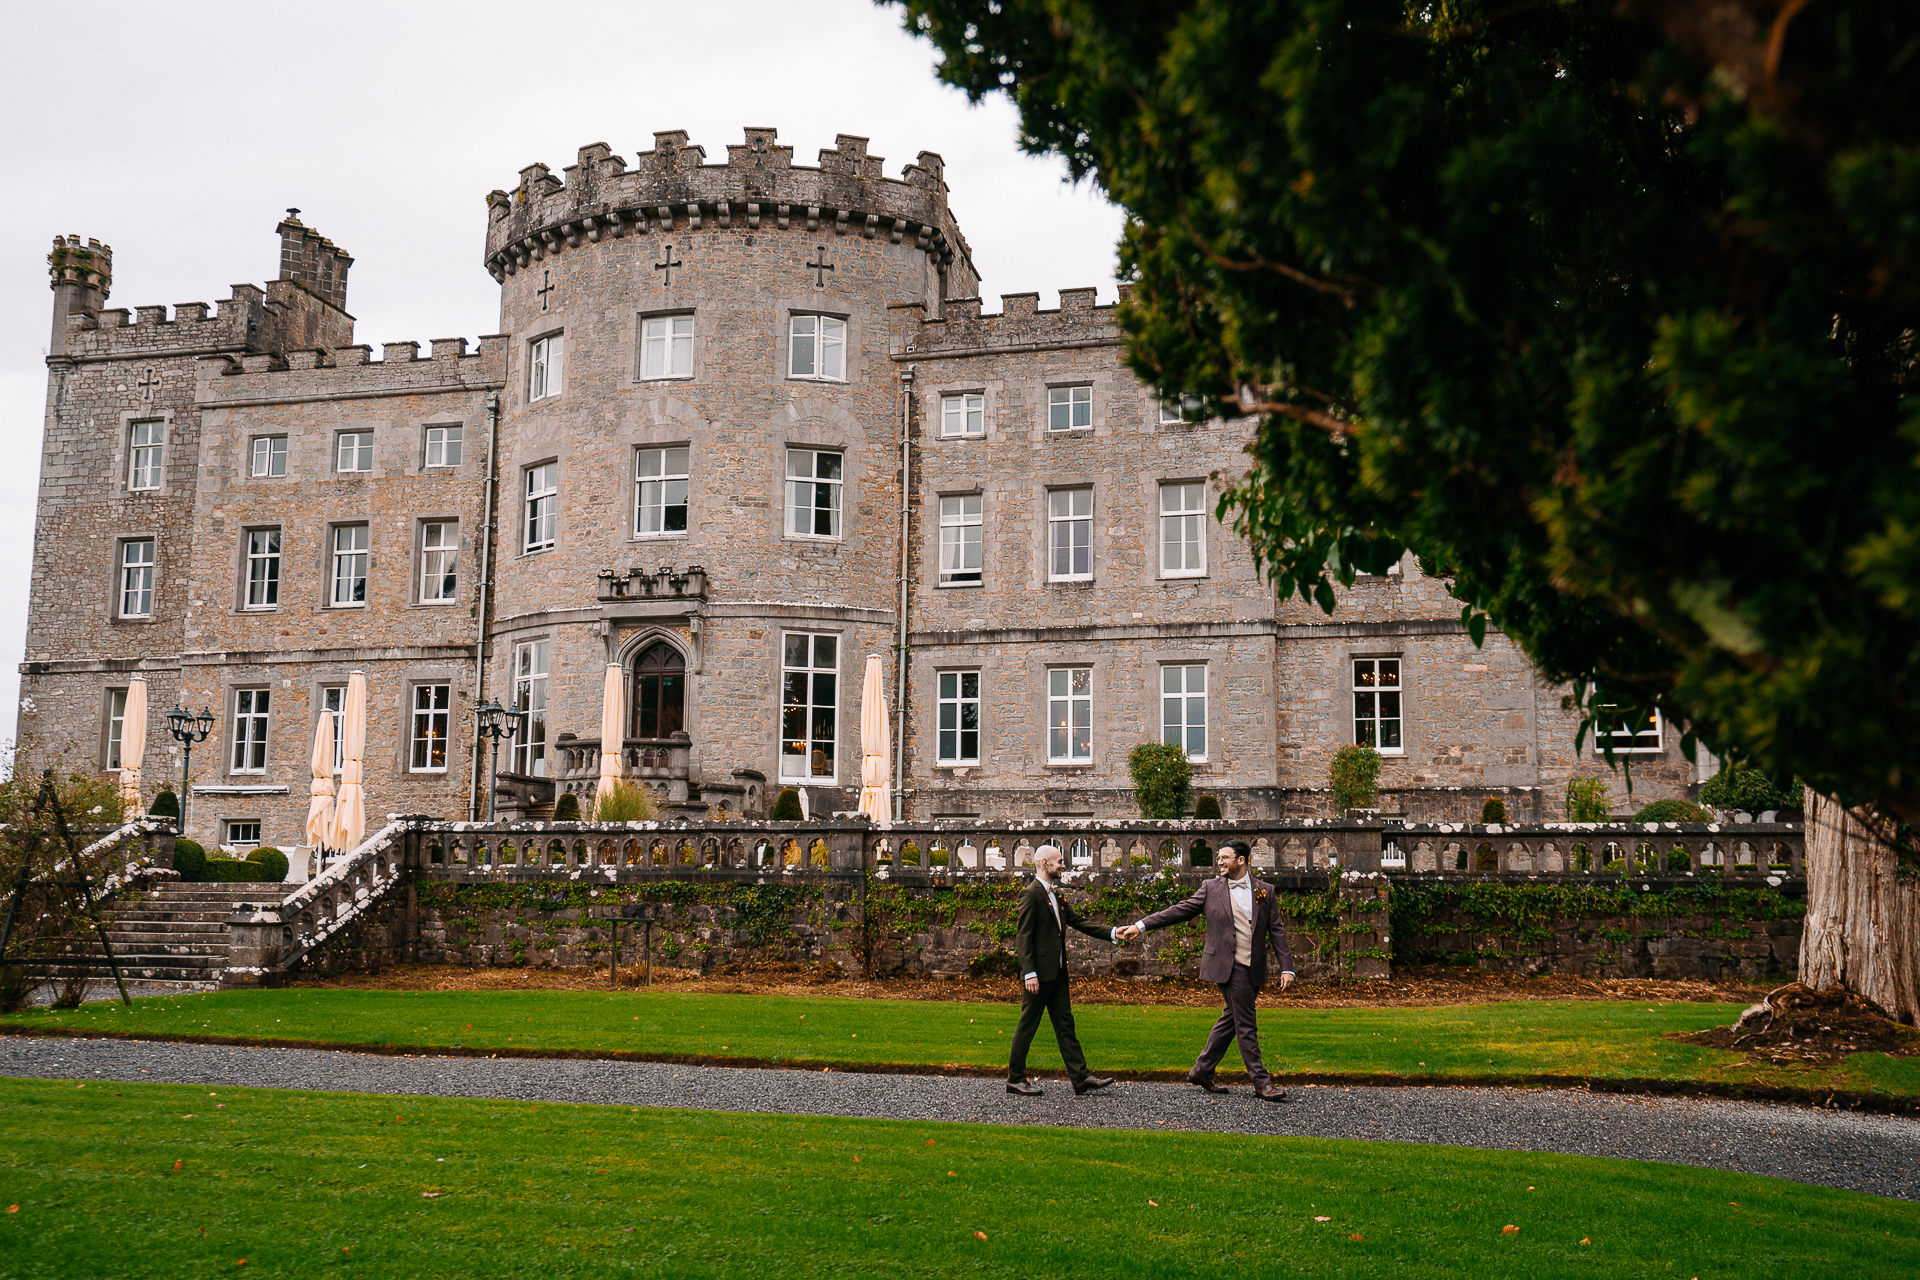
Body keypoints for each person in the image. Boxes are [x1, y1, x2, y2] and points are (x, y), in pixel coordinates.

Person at [1118, 839, 1294, 1100]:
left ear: (1241, 860)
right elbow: (1179, 911)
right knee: (1246, 1023)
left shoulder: (1265, 891)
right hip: (1227, 966)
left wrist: (1287, 968)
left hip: (1254, 967)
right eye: (1218, 858)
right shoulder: (1210, 888)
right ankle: (1262, 1082)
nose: (1219, 862)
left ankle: (1202, 1070)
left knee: (1231, 1020)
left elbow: (1277, 931)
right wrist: (1140, 925)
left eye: (1224, 857)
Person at [1006, 843, 1124, 1097]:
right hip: (1038, 975)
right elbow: (1023, 937)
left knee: (1065, 1025)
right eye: (1059, 861)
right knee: (1027, 1025)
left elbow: (1079, 922)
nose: (1064, 865)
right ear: (1045, 863)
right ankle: (1015, 1079)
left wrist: (1113, 933)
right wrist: (1029, 973)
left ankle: (1081, 1077)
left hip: (1058, 974)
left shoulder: (1055, 894)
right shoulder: (1030, 894)